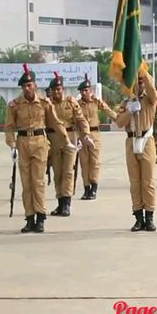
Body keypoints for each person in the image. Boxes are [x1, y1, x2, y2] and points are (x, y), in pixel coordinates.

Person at [4, 64, 74, 233]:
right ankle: (29, 218)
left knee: (38, 182)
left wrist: (66, 140)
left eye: (29, 85)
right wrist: (12, 145)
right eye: (24, 86)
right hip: (22, 143)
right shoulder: (14, 105)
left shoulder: (44, 102)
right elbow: (9, 127)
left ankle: (40, 216)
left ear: (35, 85)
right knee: (26, 184)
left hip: (40, 143)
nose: (27, 89)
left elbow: (55, 122)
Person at [115, 69, 157, 232]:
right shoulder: (126, 103)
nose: (139, 85)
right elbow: (119, 123)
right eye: (137, 82)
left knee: (148, 182)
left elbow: (153, 91)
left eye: (141, 82)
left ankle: (149, 217)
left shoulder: (150, 99)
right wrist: (129, 111)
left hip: (146, 140)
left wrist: (142, 70)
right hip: (131, 140)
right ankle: (138, 217)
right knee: (135, 183)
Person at [47, 72, 92, 217]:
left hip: (71, 139)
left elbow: (81, 120)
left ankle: (66, 204)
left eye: (59, 89)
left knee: (68, 172)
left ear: (63, 89)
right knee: (57, 173)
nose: (56, 92)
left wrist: (85, 135)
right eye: (54, 90)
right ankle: (60, 203)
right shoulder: (48, 105)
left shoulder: (71, 102)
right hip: (54, 140)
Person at [77, 75, 117, 200]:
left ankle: (94, 188)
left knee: (94, 162)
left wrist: (119, 119)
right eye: (82, 91)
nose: (84, 93)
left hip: (95, 134)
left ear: (91, 90)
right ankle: (86, 188)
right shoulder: (77, 105)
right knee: (84, 163)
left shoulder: (96, 102)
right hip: (83, 135)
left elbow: (108, 111)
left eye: (86, 90)